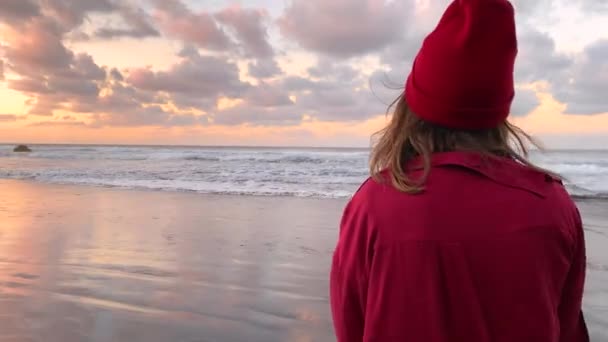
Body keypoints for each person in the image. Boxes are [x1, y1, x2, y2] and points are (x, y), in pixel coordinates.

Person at [329, 0, 589, 341]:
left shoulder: (373, 207)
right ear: (499, 111)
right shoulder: (552, 205)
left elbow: (351, 325)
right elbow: (567, 327)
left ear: (411, 110)